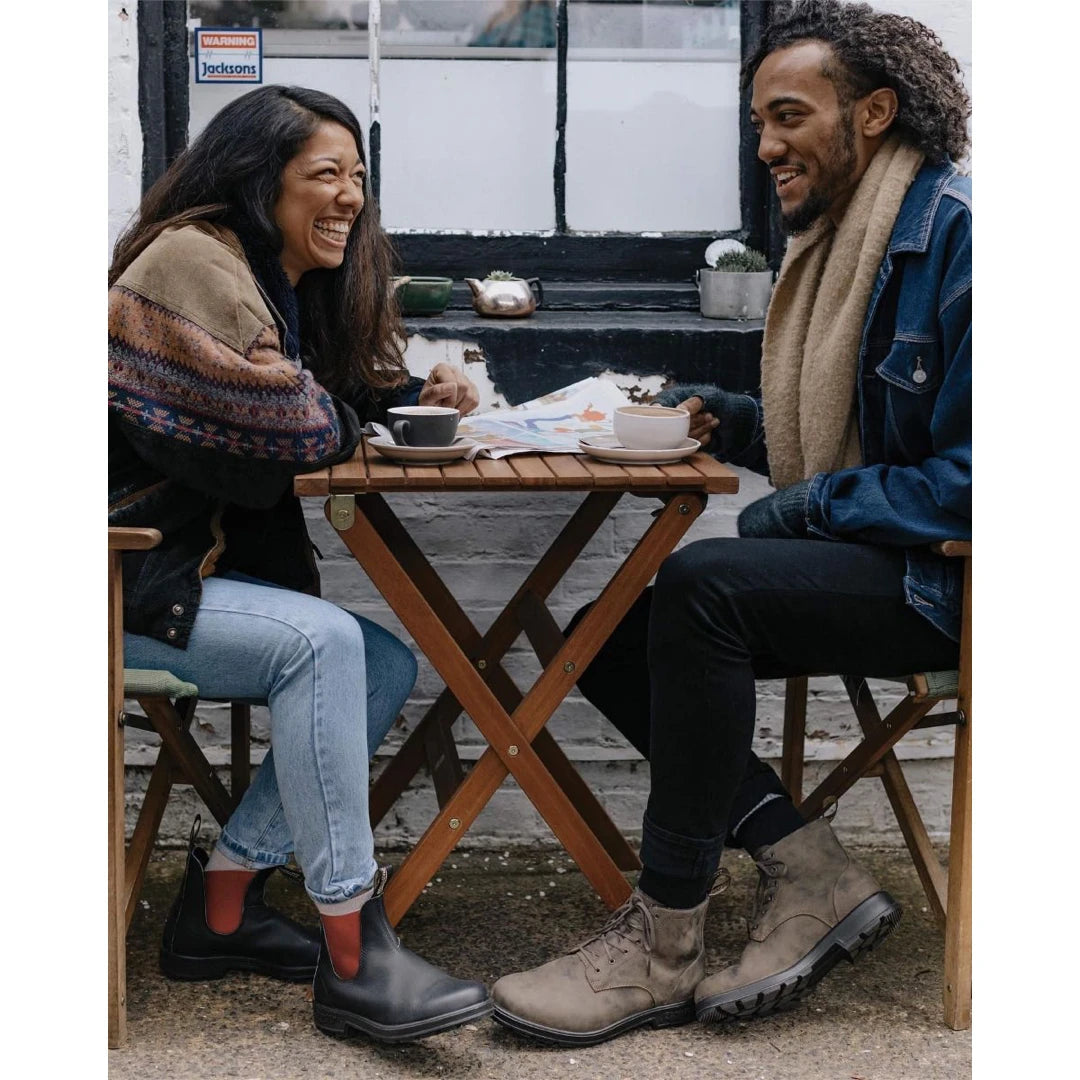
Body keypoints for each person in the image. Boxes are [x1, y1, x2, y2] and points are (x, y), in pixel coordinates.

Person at [491, 0, 970, 1046]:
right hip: (882, 556)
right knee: (603, 640)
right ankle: (810, 869)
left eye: (789, 116)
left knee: (706, 589)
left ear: (876, 112)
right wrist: (739, 424)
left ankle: (664, 948)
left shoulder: (966, 240)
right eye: (758, 122)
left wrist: (805, 504)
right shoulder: (846, 240)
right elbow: (861, 432)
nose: (766, 147)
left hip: (956, 589)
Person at [109, 84, 490, 1043]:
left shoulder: (273, 280)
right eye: (325, 174)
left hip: (185, 576)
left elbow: (317, 396)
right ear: (255, 178)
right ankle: (355, 958)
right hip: (124, 583)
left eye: (358, 177)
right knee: (322, 648)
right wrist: (362, 408)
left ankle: (224, 907)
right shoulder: (189, 262)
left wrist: (407, 389)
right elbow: (291, 421)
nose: (350, 197)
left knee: (382, 661)